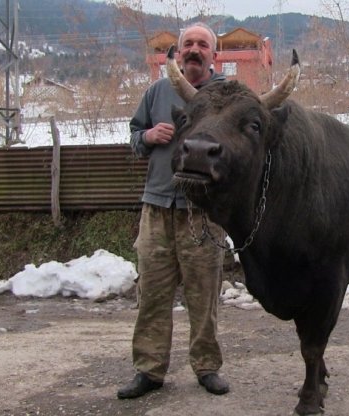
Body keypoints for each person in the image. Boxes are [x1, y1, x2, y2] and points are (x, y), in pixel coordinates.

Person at [117, 21, 229, 400]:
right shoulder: (156, 91)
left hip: (205, 213)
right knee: (152, 294)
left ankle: (207, 367)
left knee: (204, 295)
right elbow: (134, 137)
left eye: (202, 44)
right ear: (178, 51)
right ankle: (149, 370)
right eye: (188, 44)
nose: (194, 50)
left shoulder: (227, 95)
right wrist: (147, 137)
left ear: (215, 54)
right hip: (156, 207)